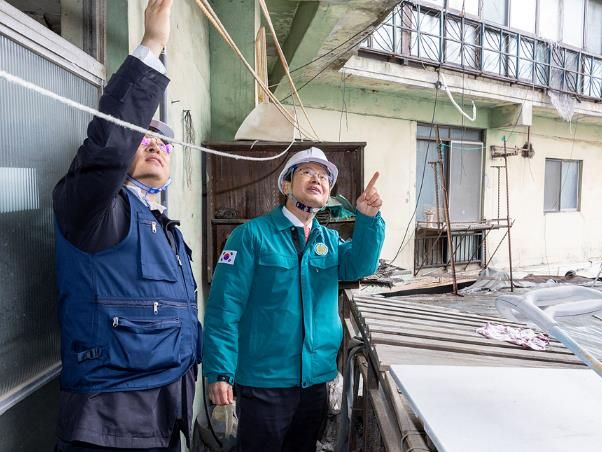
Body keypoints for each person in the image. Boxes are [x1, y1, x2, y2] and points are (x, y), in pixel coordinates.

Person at [52, 1, 201, 450]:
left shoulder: (169, 233)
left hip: (166, 414)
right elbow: (108, 147)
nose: (155, 145)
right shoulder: (95, 211)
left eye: (164, 144)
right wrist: (152, 46)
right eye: (143, 138)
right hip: (108, 422)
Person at [203, 147, 385, 452]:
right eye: (307, 172)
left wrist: (368, 219)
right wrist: (220, 371)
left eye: (324, 177)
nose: (317, 179)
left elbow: (361, 265)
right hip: (263, 383)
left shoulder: (328, 241)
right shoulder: (251, 236)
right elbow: (224, 307)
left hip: (314, 382)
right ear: (286, 185)